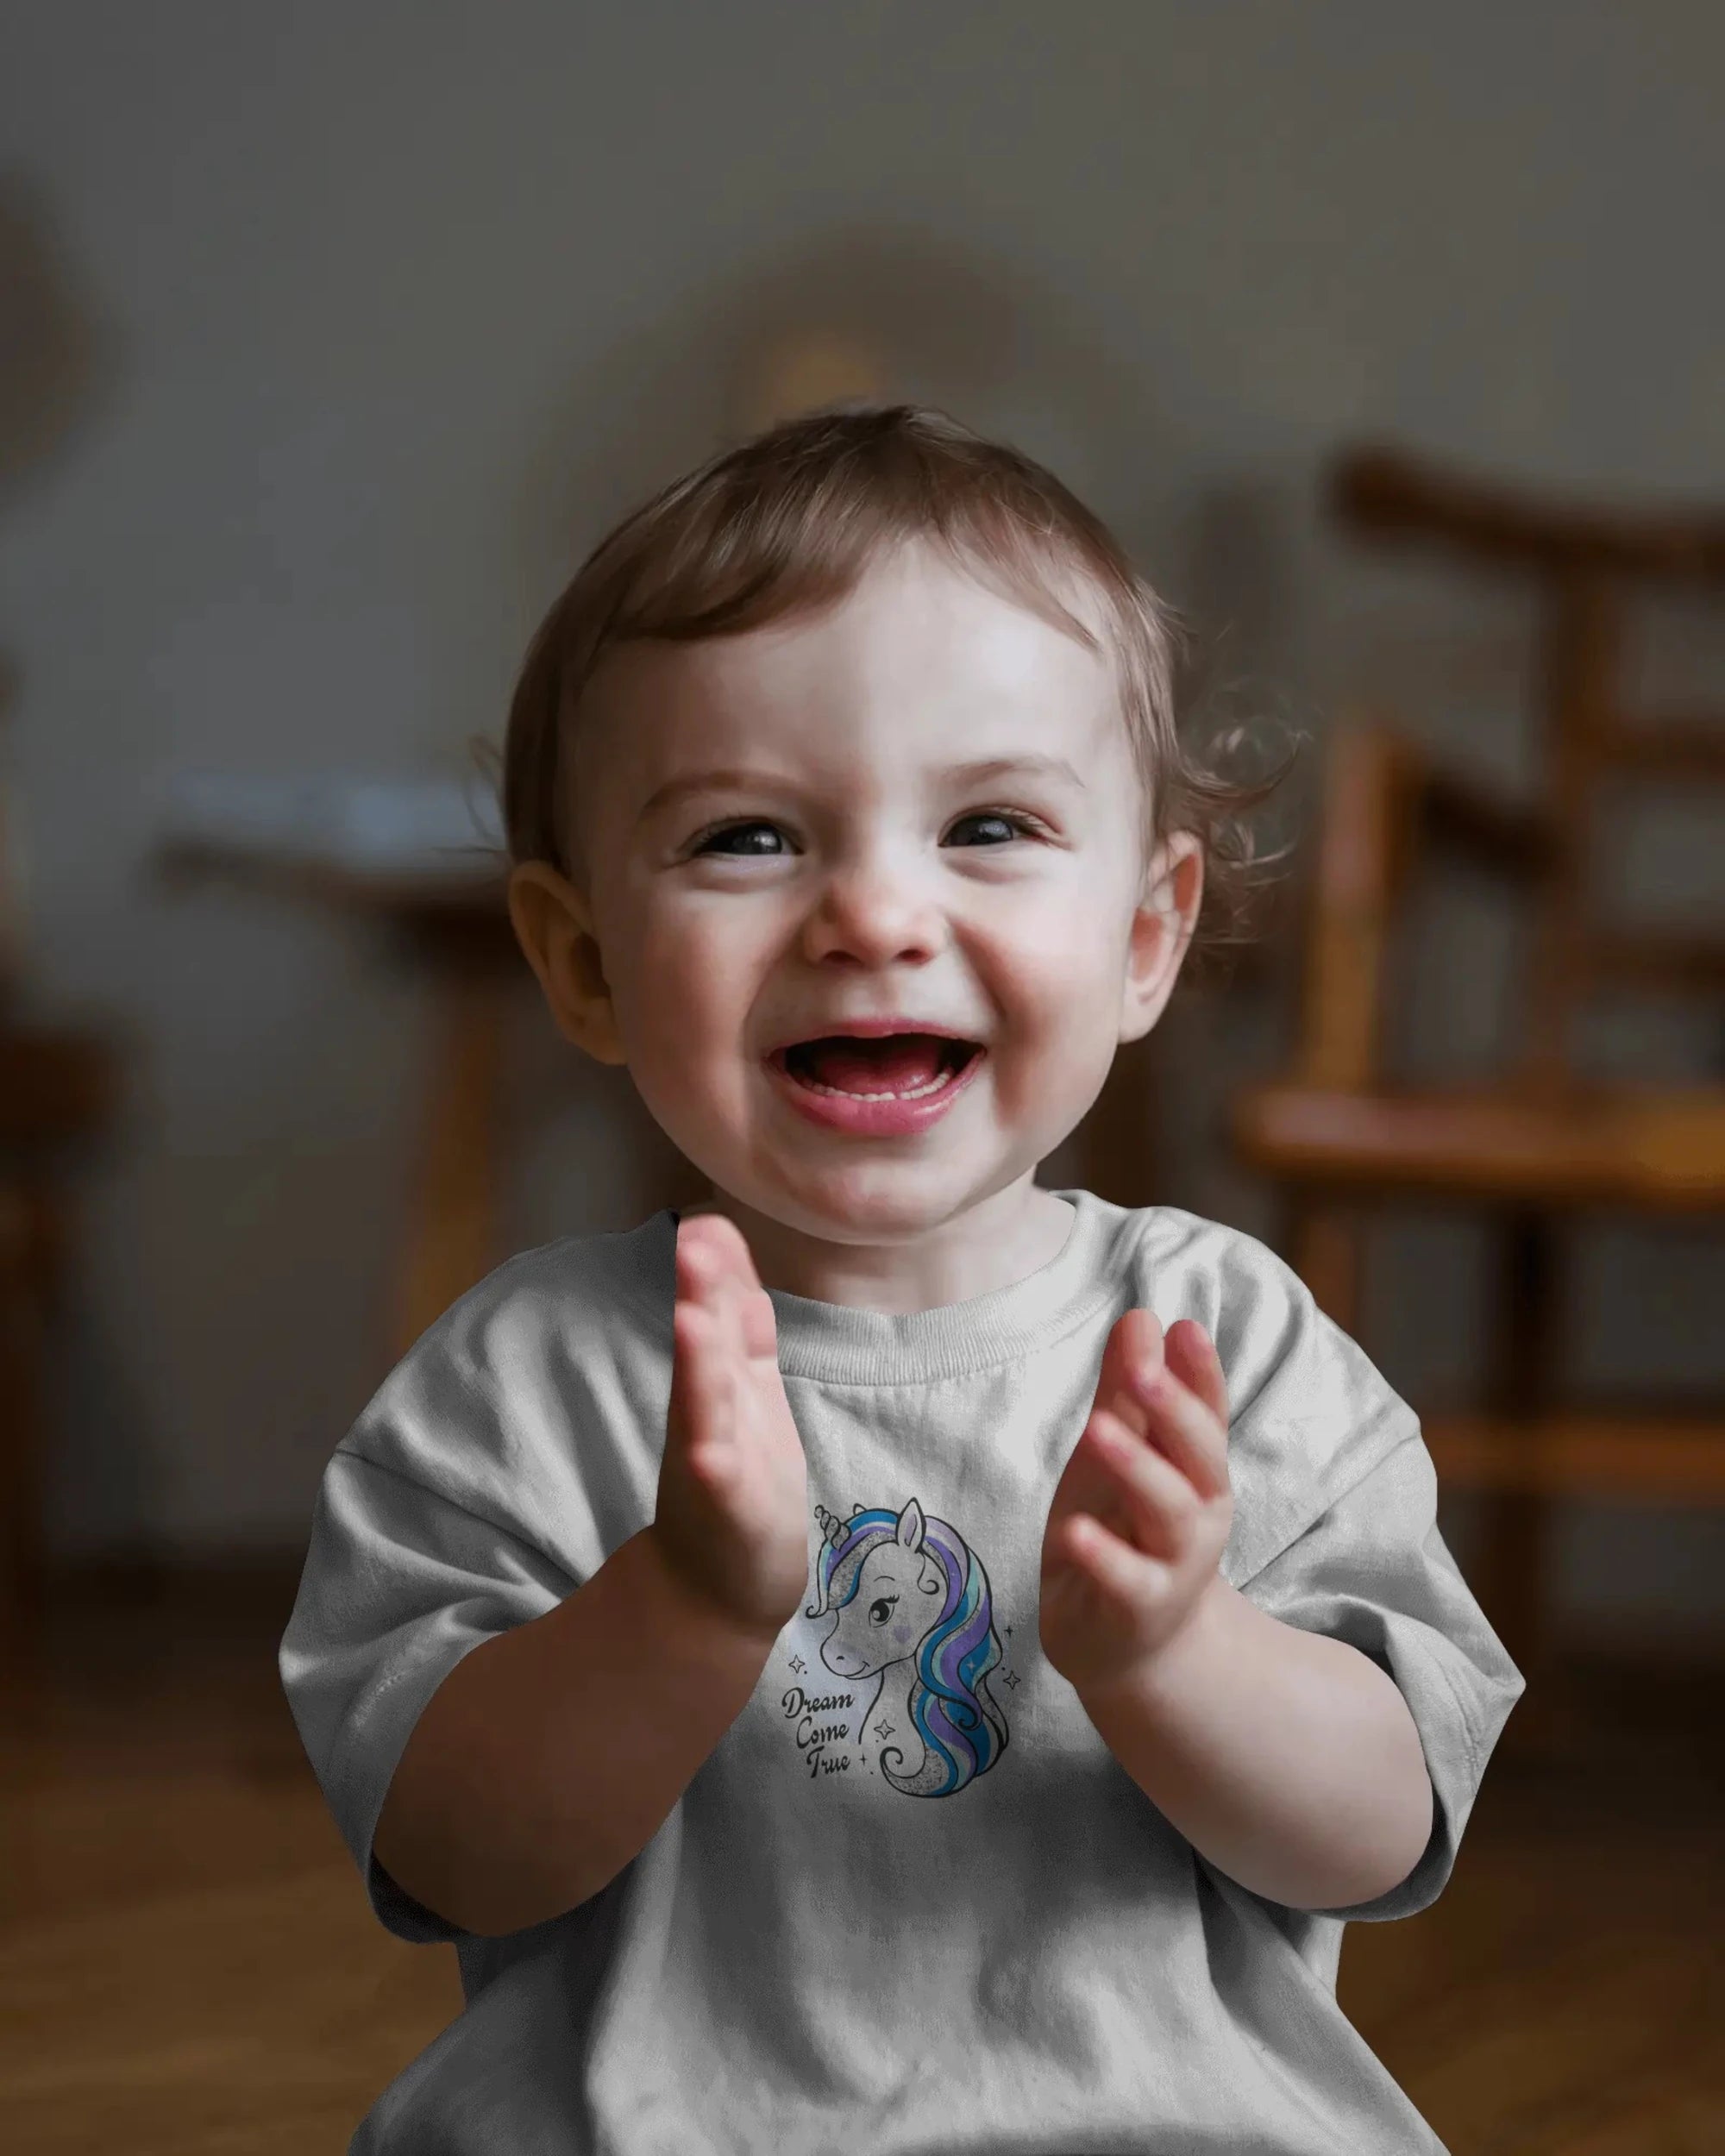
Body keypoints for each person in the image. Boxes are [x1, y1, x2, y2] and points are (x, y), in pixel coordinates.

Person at [279, 404, 1521, 2155]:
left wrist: (1181, 1647)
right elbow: (449, 1852)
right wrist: (687, 1602)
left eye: (991, 823)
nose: (871, 910)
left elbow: (1380, 1833)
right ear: (583, 961)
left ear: (1147, 935)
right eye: (746, 837)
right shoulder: (524, 1381)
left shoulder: (1221, 1343)